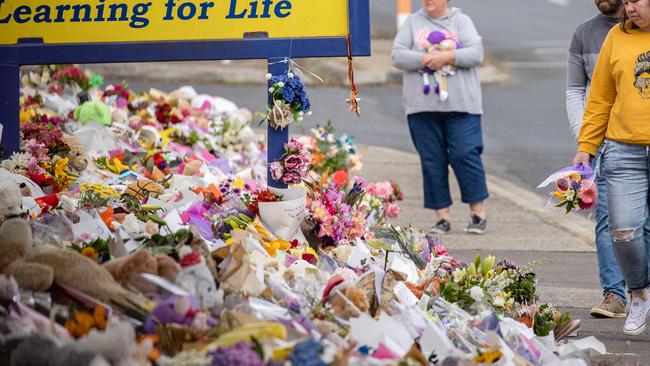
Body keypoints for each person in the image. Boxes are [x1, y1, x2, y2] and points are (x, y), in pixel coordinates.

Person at [573, 0, 650, 335]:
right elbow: (600, 97)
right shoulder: (616, 38)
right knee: (623, 229)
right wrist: (585, 148)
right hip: (624, 151)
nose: (630, 7)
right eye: (627, 1)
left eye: (637, 0)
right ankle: (639, 294)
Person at [392, 0, 489, 234]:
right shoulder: (412, 23)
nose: (428, 0)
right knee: (432, 161)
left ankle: (477, 212)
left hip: (462, 106)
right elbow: (397, 56)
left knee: (465, 154)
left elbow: (476, 53)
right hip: (422, 108)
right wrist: (424, 59)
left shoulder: (461, 21)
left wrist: (447, 57)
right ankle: (442, 217)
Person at [566, 0, 628, 319]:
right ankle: (614, 294)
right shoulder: (586, 34)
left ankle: (638, 290)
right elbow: (580, 92)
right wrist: (586, 140)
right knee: (608, 220)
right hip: (605, 142)